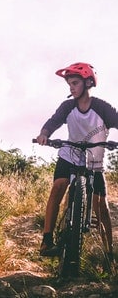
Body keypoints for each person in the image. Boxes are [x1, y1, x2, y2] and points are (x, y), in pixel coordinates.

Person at [35, 62, 118, 258]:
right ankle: (47, 240)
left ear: (88, 82)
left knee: (101, 205)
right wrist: (43, 134)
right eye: (69, 84)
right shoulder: (67, 106)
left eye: (74, 83)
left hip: (94, 160)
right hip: (70, 154)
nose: (71, 88)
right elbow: (53, 122)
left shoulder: (101, 107)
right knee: (58, 187)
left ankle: (109, 252)